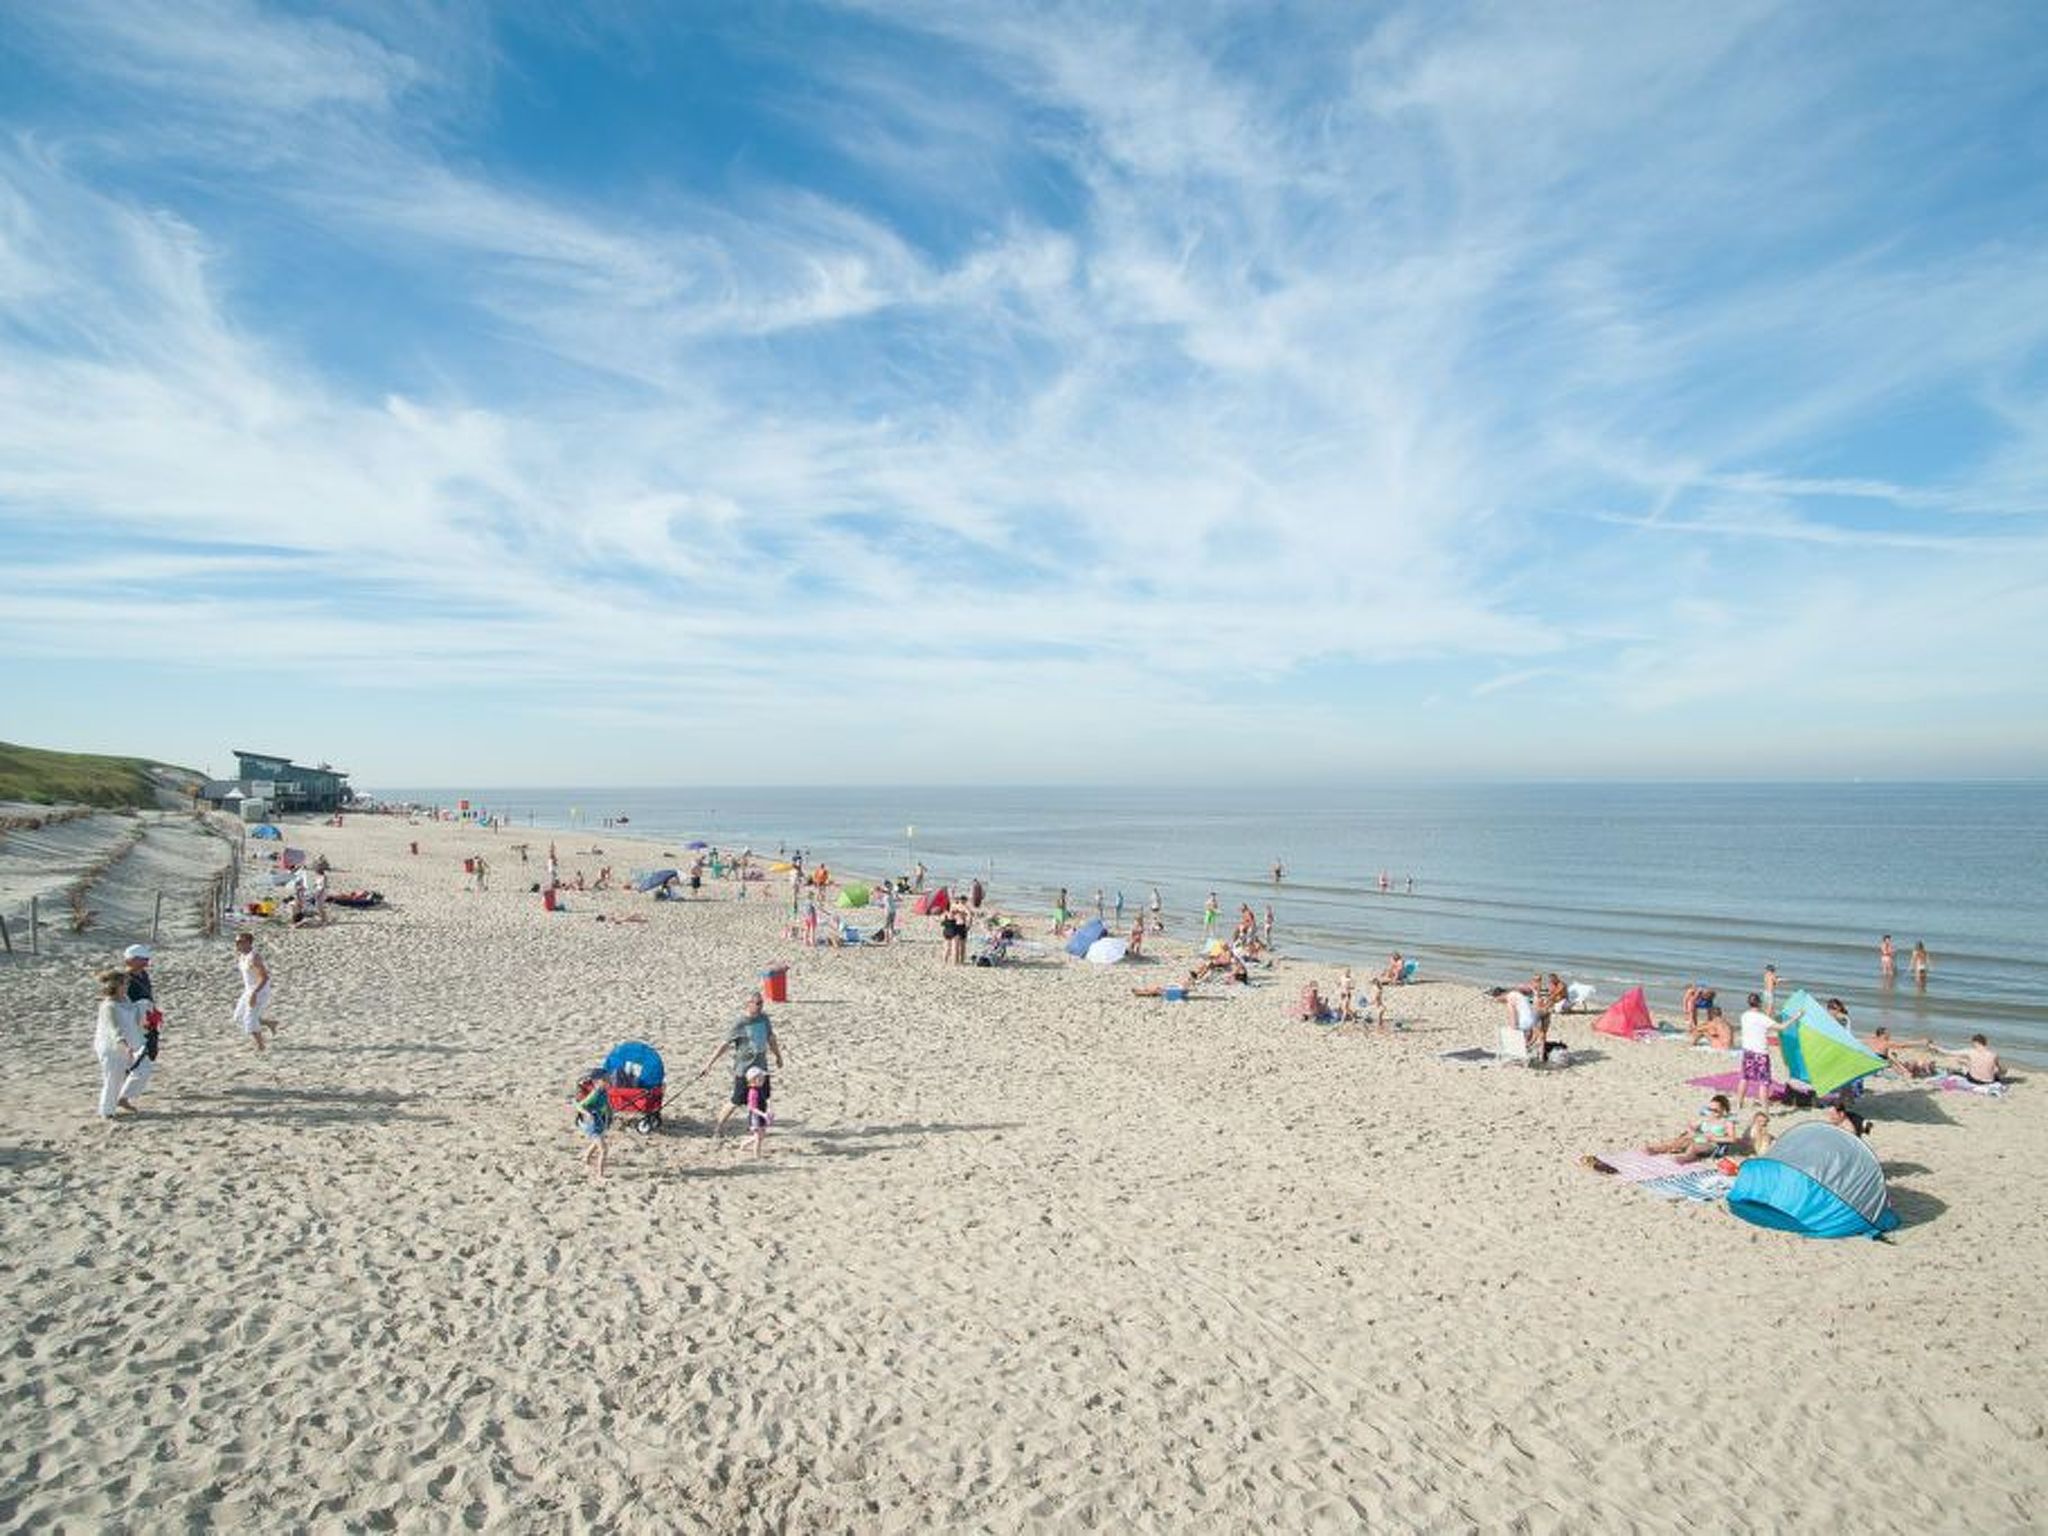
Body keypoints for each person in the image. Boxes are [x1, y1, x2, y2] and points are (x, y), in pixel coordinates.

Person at [699, 992, 785, 1140]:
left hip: (761, 1068)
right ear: (748, 1004)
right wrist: (709, 1064)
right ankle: (718, 1128)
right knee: (736, 1100)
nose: (758, 1007)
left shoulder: (764, 1019)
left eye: (761, 1003)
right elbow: (724, 1045)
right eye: (756, 1003)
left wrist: (778, 1056)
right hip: (744, 1069)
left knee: (762, 1099)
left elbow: (771, 1038)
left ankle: (759, 1130)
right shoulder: (740, 1023)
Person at [92, 969, 146, 1119]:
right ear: (116, 986)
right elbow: (113, 1029)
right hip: (111, 1046)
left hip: (131, 1042)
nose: (127, 986)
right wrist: (124, 1045)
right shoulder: (108, 1006)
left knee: (143, 1068)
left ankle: (123, 1098)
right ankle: (106, 1111)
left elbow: (135, 1017)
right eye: (124, 983)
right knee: (113, 1078)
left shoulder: (126, 999)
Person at [1645, 1094, 1739, 1163]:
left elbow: (1732, 1139)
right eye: (1710, 1109)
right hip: (1700, 1139)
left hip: (1713, 1144)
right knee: (1682, 1140)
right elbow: (1692, 1125)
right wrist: (1692, 1128)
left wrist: (1714, 1138)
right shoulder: (1707, 1117)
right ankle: (1658, 1149)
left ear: (1723, 1109)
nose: (1712, 1112)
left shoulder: (1727, 1122)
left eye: (1715, 1110)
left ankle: (1687, 1157)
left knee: (1693, 1146)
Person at [122, 944, 162, 1093]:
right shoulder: (125, 979)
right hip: (134, 1020)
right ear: (131, 960)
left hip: (147, 1018)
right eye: (142, 959)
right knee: (138, 1053)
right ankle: (127, 1082)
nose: (146, 962)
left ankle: (130, 1079)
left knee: (151, 1049)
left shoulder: (143, 975)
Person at [231, 932, 276, 1051]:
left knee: (249, 1020)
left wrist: (254, 994)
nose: (237, 945)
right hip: (249, 990)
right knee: (238, 1017)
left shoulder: (254, 957)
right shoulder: (242, 956)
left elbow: (264, 977)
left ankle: (261, 1046)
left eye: (240, 942)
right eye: (236, 942)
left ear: (249, 943)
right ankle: (270, 1023)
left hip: (259, 991)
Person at [1735, 993, 1776, 1109]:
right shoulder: (1762, 1018)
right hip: (1761, 1054)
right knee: (1764, 1082)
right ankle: (1765, 1109)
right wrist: (1796, 1017)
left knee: (1744, 1078)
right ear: (1759, 1003)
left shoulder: (1744, 1016)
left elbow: (1765, 1018)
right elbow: (1781, 1026)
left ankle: (1739, 1104)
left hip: (1748, 1052)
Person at [571, 1069, 612, 1181]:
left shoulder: (604, 1091)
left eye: (608, 1078)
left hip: (600, 1122)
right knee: (603, 1149)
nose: (609, 1081)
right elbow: (579, 1106)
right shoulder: (595, 1093)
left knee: (595, 1144)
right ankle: (600, 1175)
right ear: (597, 1082)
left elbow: (607, 1104)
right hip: (591, 1124)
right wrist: (587, 1114)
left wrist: (609, 1115)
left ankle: (586, 1159)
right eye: (605, 1079)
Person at [1940, 1034, 2006, 1086]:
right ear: (1985, 1042)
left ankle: (1958, 1071)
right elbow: (1999, 1069)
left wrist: (1935, 1047)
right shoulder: (1993, 1054)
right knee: (1999, 1070)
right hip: (1989, 1082)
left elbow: (1949, 1052)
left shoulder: (1970, 1051)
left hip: (1973, 1080)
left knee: (1963, 1063)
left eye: (1973, 1043)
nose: (1972, 1045)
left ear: (1976, 1042)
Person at [743, 1066, 773, 1156]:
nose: (763, 1080)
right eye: (760, 1078)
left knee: (761, 1135)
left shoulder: (760, 1089)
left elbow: (765, 1100)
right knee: (758, 1138)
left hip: (762, 1115)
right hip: (756, 1117)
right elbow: (752, 1107)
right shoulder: (753, 1092)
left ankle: (744, 1144)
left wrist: (768, 1110)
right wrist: (763, 1114)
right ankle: (757, 1156)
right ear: (753, 1080)